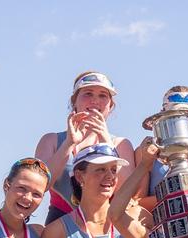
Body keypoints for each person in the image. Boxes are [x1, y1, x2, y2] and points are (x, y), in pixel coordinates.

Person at [36, 71, 135, 224]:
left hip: (108, 224)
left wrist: (105, 140)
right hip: (60, 224)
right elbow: (39, 185)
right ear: (74, 102)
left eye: (103, 95)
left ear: (110, 106)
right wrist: (69, 143)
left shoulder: (121, 144)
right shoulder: (52, 140)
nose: (95, 100)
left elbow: (128, 192)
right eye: (88, 94)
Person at [135, 86, 188, 211]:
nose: (184, 121)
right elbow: (135, 204)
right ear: (162, 114)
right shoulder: (146, 153)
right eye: (177, 114)